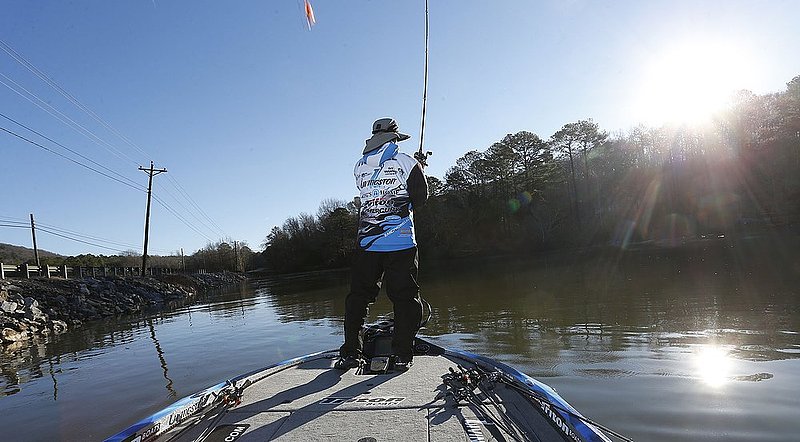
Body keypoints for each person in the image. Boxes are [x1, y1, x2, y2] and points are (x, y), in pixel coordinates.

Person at [336, 117, 429, 370]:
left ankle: (351, 353)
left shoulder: (359, 166)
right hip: (400, 242)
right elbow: (420, 198)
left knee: (358, 297)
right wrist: (420, 168)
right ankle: (402, 355)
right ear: (394, 137)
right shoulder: (406, 161)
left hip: (367, 242)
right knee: (405, 298)